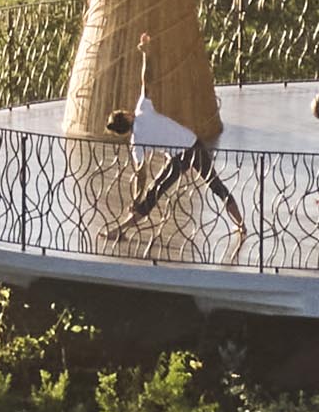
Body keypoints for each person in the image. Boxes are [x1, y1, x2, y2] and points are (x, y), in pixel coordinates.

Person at [105, 31, 252, 260]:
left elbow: (141, 174)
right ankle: (241, 225)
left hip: (185, 152)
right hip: (192, 146)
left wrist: (136, 198)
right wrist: (147, 54)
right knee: (215, 185)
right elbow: (147, 80)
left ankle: (120, 230)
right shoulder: (142, 110)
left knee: (154, 193)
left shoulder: (136, 142)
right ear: (127, 117)